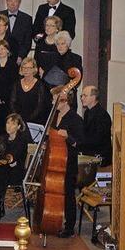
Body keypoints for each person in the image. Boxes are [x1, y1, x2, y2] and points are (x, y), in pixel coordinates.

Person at [52, 91, 84, 238]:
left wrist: (68, 137)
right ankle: (53, 219)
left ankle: (69, 226)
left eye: (55, 99)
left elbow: (79, 143)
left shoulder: (75, 119)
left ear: (64, 101)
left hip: (68, 161)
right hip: (55, 160)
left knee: (69, 193)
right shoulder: (55, 116)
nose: (52, 102)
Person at [0, 40, 20, 128]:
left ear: (7, 50)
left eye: (3, 49)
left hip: (9, 98)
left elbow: (15, 84)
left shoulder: (13, 65)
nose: (0, 51)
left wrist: (7, 97)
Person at [9, 57, 49, 125]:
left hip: (34, 120)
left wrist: (28, 120)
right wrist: (18, 118)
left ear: (34, 69)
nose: (26, 70)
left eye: (29, 68)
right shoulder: (17, 84)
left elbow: (40, 106)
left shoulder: (40, 85)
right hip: (18, 120)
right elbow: (12, 102)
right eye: (24, 67)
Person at [79, 85, 112, 166]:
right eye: (81, 96)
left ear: (93, 97)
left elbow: (97, 140)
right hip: (91, 151)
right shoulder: (87, 112)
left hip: (101, 155)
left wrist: (77, 143)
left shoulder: (102, 115)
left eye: (85, 96)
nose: (82, 98)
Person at [0, 0, 33, 64]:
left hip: (17, 59)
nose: (12, 4)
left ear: (19, 3)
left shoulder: (27, 19)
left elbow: (27, 41)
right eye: (10, 1)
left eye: (15, 1)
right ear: (6, 2)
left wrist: (20, 56)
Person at [4, 113, 31, 186]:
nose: (9, 126)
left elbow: (14, 157)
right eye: (8, 123)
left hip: (16, 171)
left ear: (18, 126)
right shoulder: (4, 138)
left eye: (13, 124)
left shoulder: (22, 140)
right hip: (7, 166)